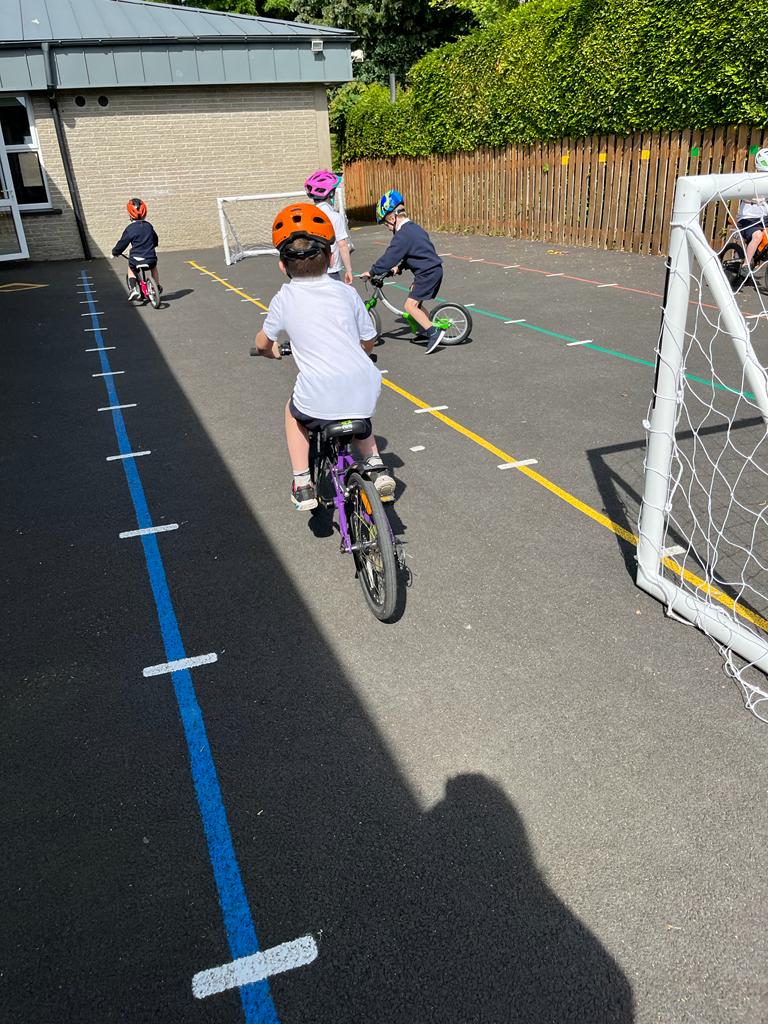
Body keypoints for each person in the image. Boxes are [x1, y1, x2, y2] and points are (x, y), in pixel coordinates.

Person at [253, 203, 395, 510]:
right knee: (356, 411)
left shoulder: (284, 298)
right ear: (331, 259)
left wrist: (270, 352)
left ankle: (302, 482)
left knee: (293, 413)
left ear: (282, 265)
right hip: (364, 383)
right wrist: (361, 352)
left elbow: (263, 342)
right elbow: (368, 338)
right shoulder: (347, 293)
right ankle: (376, 466)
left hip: (318, 393)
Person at [361, 190, 445, 354]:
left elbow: (390, 256)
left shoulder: (402, 235)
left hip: (427, 273)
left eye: (386, 223)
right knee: (416, 302)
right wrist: (399, 268)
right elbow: (417, 252)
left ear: (392, 218)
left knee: (409, 306)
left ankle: (433, 332)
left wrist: (372, 271)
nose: (387, 227)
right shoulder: (413, 229)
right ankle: (424, 329)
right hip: (430, 270)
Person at [303, 170, 354, 284]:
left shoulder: (307, 215)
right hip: (331, 271)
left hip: (312, 270)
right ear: (331, 193)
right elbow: (342, 245)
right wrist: (349, 270)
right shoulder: (335, 217)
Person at [111, 198, 161, 299]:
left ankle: (133, 289)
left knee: (131, 268)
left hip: (136, 259)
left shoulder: (130, 229)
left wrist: (115, 252)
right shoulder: (149, 226)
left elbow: (122, 243)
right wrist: (154, 245)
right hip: (150, 258)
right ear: (145, 213)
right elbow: (155, 239)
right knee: (153, 268)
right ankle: (157, 286)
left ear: (130, 215)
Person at [736, 148, 768, 277]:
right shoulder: (751, 180)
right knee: (757, 236)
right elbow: (742, 193)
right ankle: (746, 265)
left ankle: (759, 254)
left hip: (764, 217)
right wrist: (752, 198)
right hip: (748, 218)